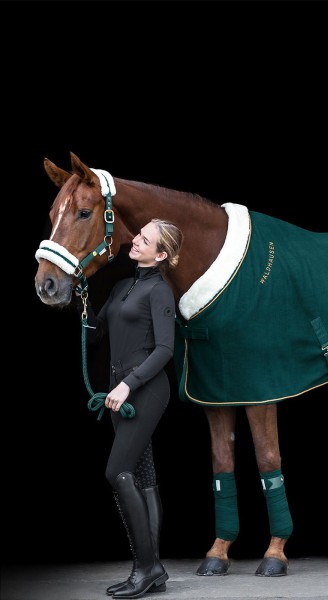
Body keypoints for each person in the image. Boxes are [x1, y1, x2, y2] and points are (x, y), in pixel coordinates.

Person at [76, 218, 183, 599]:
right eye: (139, 235)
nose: (135, 240)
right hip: (119, 390)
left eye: (145, 239)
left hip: (145, 390)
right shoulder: (123, 286)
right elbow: (98, 333)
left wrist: (127, 384)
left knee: (117, 472)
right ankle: (154, 572)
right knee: (142, 473)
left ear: (161, 254)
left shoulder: (160, 291)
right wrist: (80, 299)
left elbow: (165, 350)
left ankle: (146, 567)